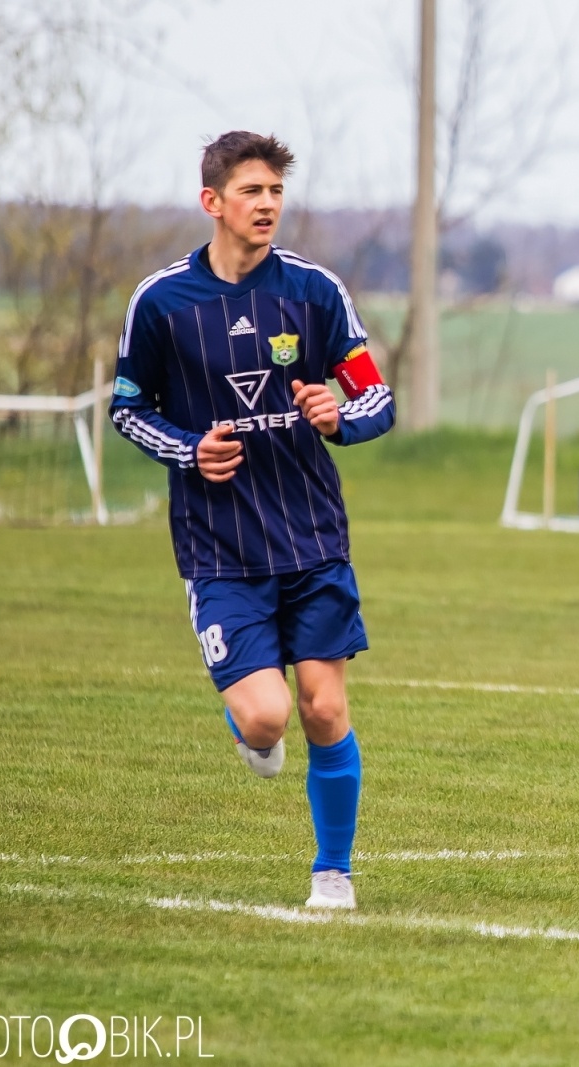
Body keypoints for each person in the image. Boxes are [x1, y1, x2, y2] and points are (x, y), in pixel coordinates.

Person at [110, 131, 395, 909]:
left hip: (310, 537)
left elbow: (376, 397)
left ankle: (332, 873)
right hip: (220, 546)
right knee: (268, 718)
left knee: (325, 706)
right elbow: (128, 410)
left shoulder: (314, 292)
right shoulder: (162, 302)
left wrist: (338, 416)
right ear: (213, 202)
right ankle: (251, 733)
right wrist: (187, 450)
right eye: (251, 192)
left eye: (275, 191)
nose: (267, 204)